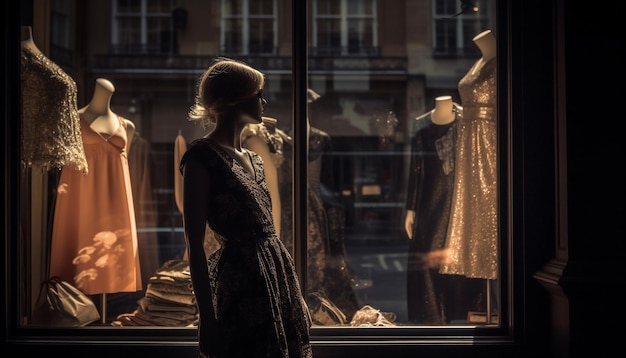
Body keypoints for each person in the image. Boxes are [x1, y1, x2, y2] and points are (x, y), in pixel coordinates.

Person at [180, 58, 312, 358]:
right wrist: (207, 320)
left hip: (276, 278)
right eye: (257, 94)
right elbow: (195, 244)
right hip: (241, 285)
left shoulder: (254, 159)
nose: (263, 101)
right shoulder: (202, 158)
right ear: (234, 98)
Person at [50, 78, 142, 300]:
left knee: (111, 259)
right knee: (80, 257)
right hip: (82, 200)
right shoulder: (72, 121)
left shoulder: (127, 126)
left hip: (115, 203)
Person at [404, 96, 483, 323]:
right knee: (429, 258)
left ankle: (461, 314)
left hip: (461, 202)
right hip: (430, 204)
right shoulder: (421, 125)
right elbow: (416, 170)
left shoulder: (466, 121)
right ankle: (433, 317)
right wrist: (410, 208)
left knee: (456, 257)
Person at [439, 29, 498, 281]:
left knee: (488, 204)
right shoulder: (479, 61)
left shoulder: (500, 62)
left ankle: (492, 262)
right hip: (470, 140)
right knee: (470, 205)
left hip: (488, 141)